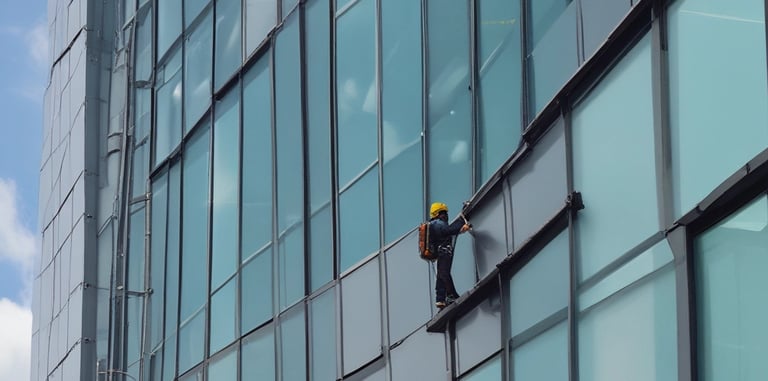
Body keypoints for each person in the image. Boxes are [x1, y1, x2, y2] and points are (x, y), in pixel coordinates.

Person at [429, 202, 471, 309]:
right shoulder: (438, 223)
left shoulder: (433, 225)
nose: (446, 216)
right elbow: (449, 230)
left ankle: (442, 299)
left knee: (441, 274)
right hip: (444, 252)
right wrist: (462, 221)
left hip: (441, 251)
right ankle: (449, 296)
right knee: (444, 273)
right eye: (444, 213)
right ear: (439, 213)